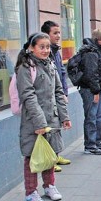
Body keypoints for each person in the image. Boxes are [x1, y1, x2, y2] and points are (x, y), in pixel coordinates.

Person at [15, 32, 72, 201]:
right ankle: (31, 193)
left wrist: (64, 116)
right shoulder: (26, 68)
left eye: (48, 47)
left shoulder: (51, 65)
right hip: (33, 121)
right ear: (31, 48)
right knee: (32, 156)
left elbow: (58, 92)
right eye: (42, 47)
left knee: (51, 154)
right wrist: (40, 123)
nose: (46, 50)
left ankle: (49, 186)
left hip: (52, 117)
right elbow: (28, 96)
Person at [41, 20, 71, 172]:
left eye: (59, 33)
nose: (58, 36)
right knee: (51, 127)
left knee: (59, 124)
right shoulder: (46, 53)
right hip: (49, 96)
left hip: (58, 93)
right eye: (55, 33)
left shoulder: (56, 51)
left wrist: (65, 92)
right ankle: (51, 158)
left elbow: (62, 73)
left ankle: (57, 154)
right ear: (47, 35)